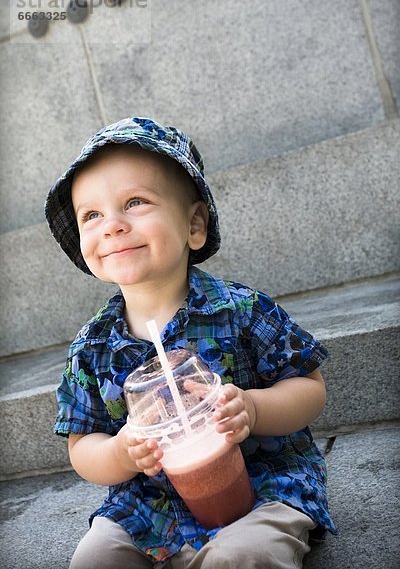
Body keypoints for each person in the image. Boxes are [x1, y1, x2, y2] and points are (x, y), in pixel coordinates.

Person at [45, 116, 336, 569]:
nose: (112, 226)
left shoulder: (242, 310)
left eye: (135, 202)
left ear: (194, 224)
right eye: (92, 214)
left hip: (262, 485)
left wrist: (255, 408)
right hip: (149, 506)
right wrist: (121, 453)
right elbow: (82, 446)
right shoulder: (92, 347)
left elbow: (309, 388)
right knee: (94, 561)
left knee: (243, 557)